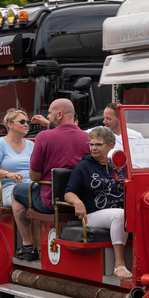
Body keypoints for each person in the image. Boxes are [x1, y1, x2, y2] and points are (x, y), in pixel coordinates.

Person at [12, 99, 90, 261]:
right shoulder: (88, 138)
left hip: (51, 202)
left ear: (59, 115)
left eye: (50, 113)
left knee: (16, 191)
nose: (48, 116)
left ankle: (27, 246)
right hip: (81, 202)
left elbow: (34, 176)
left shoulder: (44, 137)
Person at [64, 127, 131, 279]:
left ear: (111, 146)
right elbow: (68, 192)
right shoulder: (84, 166)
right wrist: (77, 202)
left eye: (98, 144)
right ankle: (119, 264)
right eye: (91, 144)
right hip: (92, 215)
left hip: (120, 212)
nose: (93, 148)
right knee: (120, 215)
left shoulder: (121, 165)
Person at [0, 109, 34, 205]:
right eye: (22, 122)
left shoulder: (31, 145)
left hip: (31, 186)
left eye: (27, 122)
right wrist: (8, 174)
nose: (26, 125)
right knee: (23, 195)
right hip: (8, 188)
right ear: (10, 124)